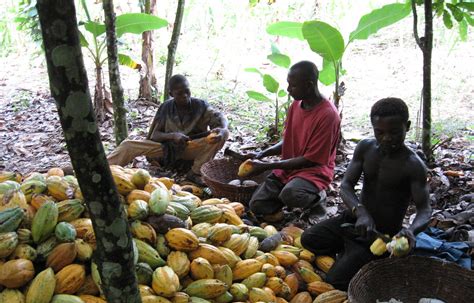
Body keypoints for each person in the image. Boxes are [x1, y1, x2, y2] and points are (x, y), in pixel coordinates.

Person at [301, 97, 432, 290]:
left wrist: (411, 231)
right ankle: (349, 251)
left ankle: (357, 256)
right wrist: (360, 212)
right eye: (379, 132)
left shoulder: (413, 166)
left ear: (408, 126)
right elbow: (346, 185)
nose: (386, 138)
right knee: (308, 239)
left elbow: (425, 210)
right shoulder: (365, 148)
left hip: (380, 235)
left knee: (335, 282)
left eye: (394, 132)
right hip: (354, 221)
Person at [246, 60, 341, 221]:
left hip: (314, 172)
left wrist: (266, 166)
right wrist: (263, 153)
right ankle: (284, 199)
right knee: (256, 205)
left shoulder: (327, 115)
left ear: (309, 85)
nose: (289, 90)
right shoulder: (296, 105)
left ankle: (318, 198)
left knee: (291, 194)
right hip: (289, 169)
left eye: (293, 86)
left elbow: (311, 160)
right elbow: (289, 139)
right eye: (288, 84)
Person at [107, 74, 229, 184]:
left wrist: (223, 129)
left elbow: (219, 116)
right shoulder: (166, 107)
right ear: (171, 94)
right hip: (167, 149)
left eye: (187, 91)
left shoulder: (200, 105)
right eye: (179, 93)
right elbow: (155, 135)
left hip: (193, 147)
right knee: (128, 145)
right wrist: (172, 136)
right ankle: (104, 168)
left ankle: (195, 172)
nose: (185, 96)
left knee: (223, 135)